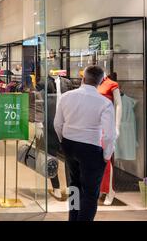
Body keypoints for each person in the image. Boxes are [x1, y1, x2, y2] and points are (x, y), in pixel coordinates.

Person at [54, 65, 117, 221]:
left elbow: (57, 124)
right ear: (101, 81)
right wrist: (106, 155)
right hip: (90, 149)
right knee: (90, 193)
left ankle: (73, 217)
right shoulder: (104, 103)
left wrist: (64, 141)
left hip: (69, 145)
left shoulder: (66, 96)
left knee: (75, 186)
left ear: (83, 78)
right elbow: (109, 135)